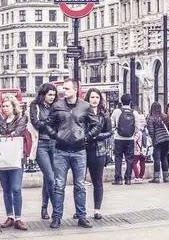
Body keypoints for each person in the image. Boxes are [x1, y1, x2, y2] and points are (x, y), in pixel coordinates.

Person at [45, 78, 101, 229]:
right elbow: (47, 125)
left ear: (76, 90)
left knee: (80, 185)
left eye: (67, 88)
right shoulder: (57, 106)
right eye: (63, 88)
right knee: (59, 186)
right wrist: (56, 136)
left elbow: (96, 125)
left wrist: (86, 137)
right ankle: (56, 217)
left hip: (79, 150)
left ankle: (82, 217)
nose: (64, 91)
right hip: (60, 150)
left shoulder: (85, 106)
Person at [0, 96, 28, 231]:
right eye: (3, 106)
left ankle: (18, 218)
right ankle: (10, 216)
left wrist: (4, 136)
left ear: (14, 107)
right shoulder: (1, 121)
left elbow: (19, 132)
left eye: (7, 106)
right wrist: (4, 135)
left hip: (16, 158)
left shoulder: (21, 119)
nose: (5, 108)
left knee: (16, 188)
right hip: (3, 158)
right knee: (6, 189)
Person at [29, 83, 58, 219]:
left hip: (55, 144)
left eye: (53, 95)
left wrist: (46, 124)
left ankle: (44, 208)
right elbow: (36, 124)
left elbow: (60, 123)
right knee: (51, 178)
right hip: (41, 144)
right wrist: (50, 124)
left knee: (49, 179)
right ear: (43, 94)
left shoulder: (56, 106)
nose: (52, 97)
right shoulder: (35, 106)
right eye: (49, 94)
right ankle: (57, 208)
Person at [84, 88, 112, 219]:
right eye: (92, 97)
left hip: (99, 150)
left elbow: (109, 133)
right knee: (80, 182)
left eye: (97, 97)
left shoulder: (105, 114)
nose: (94, 100)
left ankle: (97, 209)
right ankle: (80, 209)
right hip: (83, 149)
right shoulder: (83, 113)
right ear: (88, 99)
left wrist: (96, 136)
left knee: (98, 181)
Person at [110, 94, 137, 185]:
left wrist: (115, 132)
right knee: (129, 159)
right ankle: (128, 179)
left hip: (118, 138)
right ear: (130, 102)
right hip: (130, 139)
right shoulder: (134, 112)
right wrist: (132, 133)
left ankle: (118, 179)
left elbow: (111, 124)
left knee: (118, 158)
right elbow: (137, 127)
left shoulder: (116, 111)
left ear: (121, 102)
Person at [146, 102, 169, 183]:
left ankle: (156, 178)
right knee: (164, 158)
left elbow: (151, 131)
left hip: (157, 140)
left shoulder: (151, 118)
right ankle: (166, 177)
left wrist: (152, 141)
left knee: (157, 159)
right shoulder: (164, 116)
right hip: (166, 139)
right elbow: (168, 127)